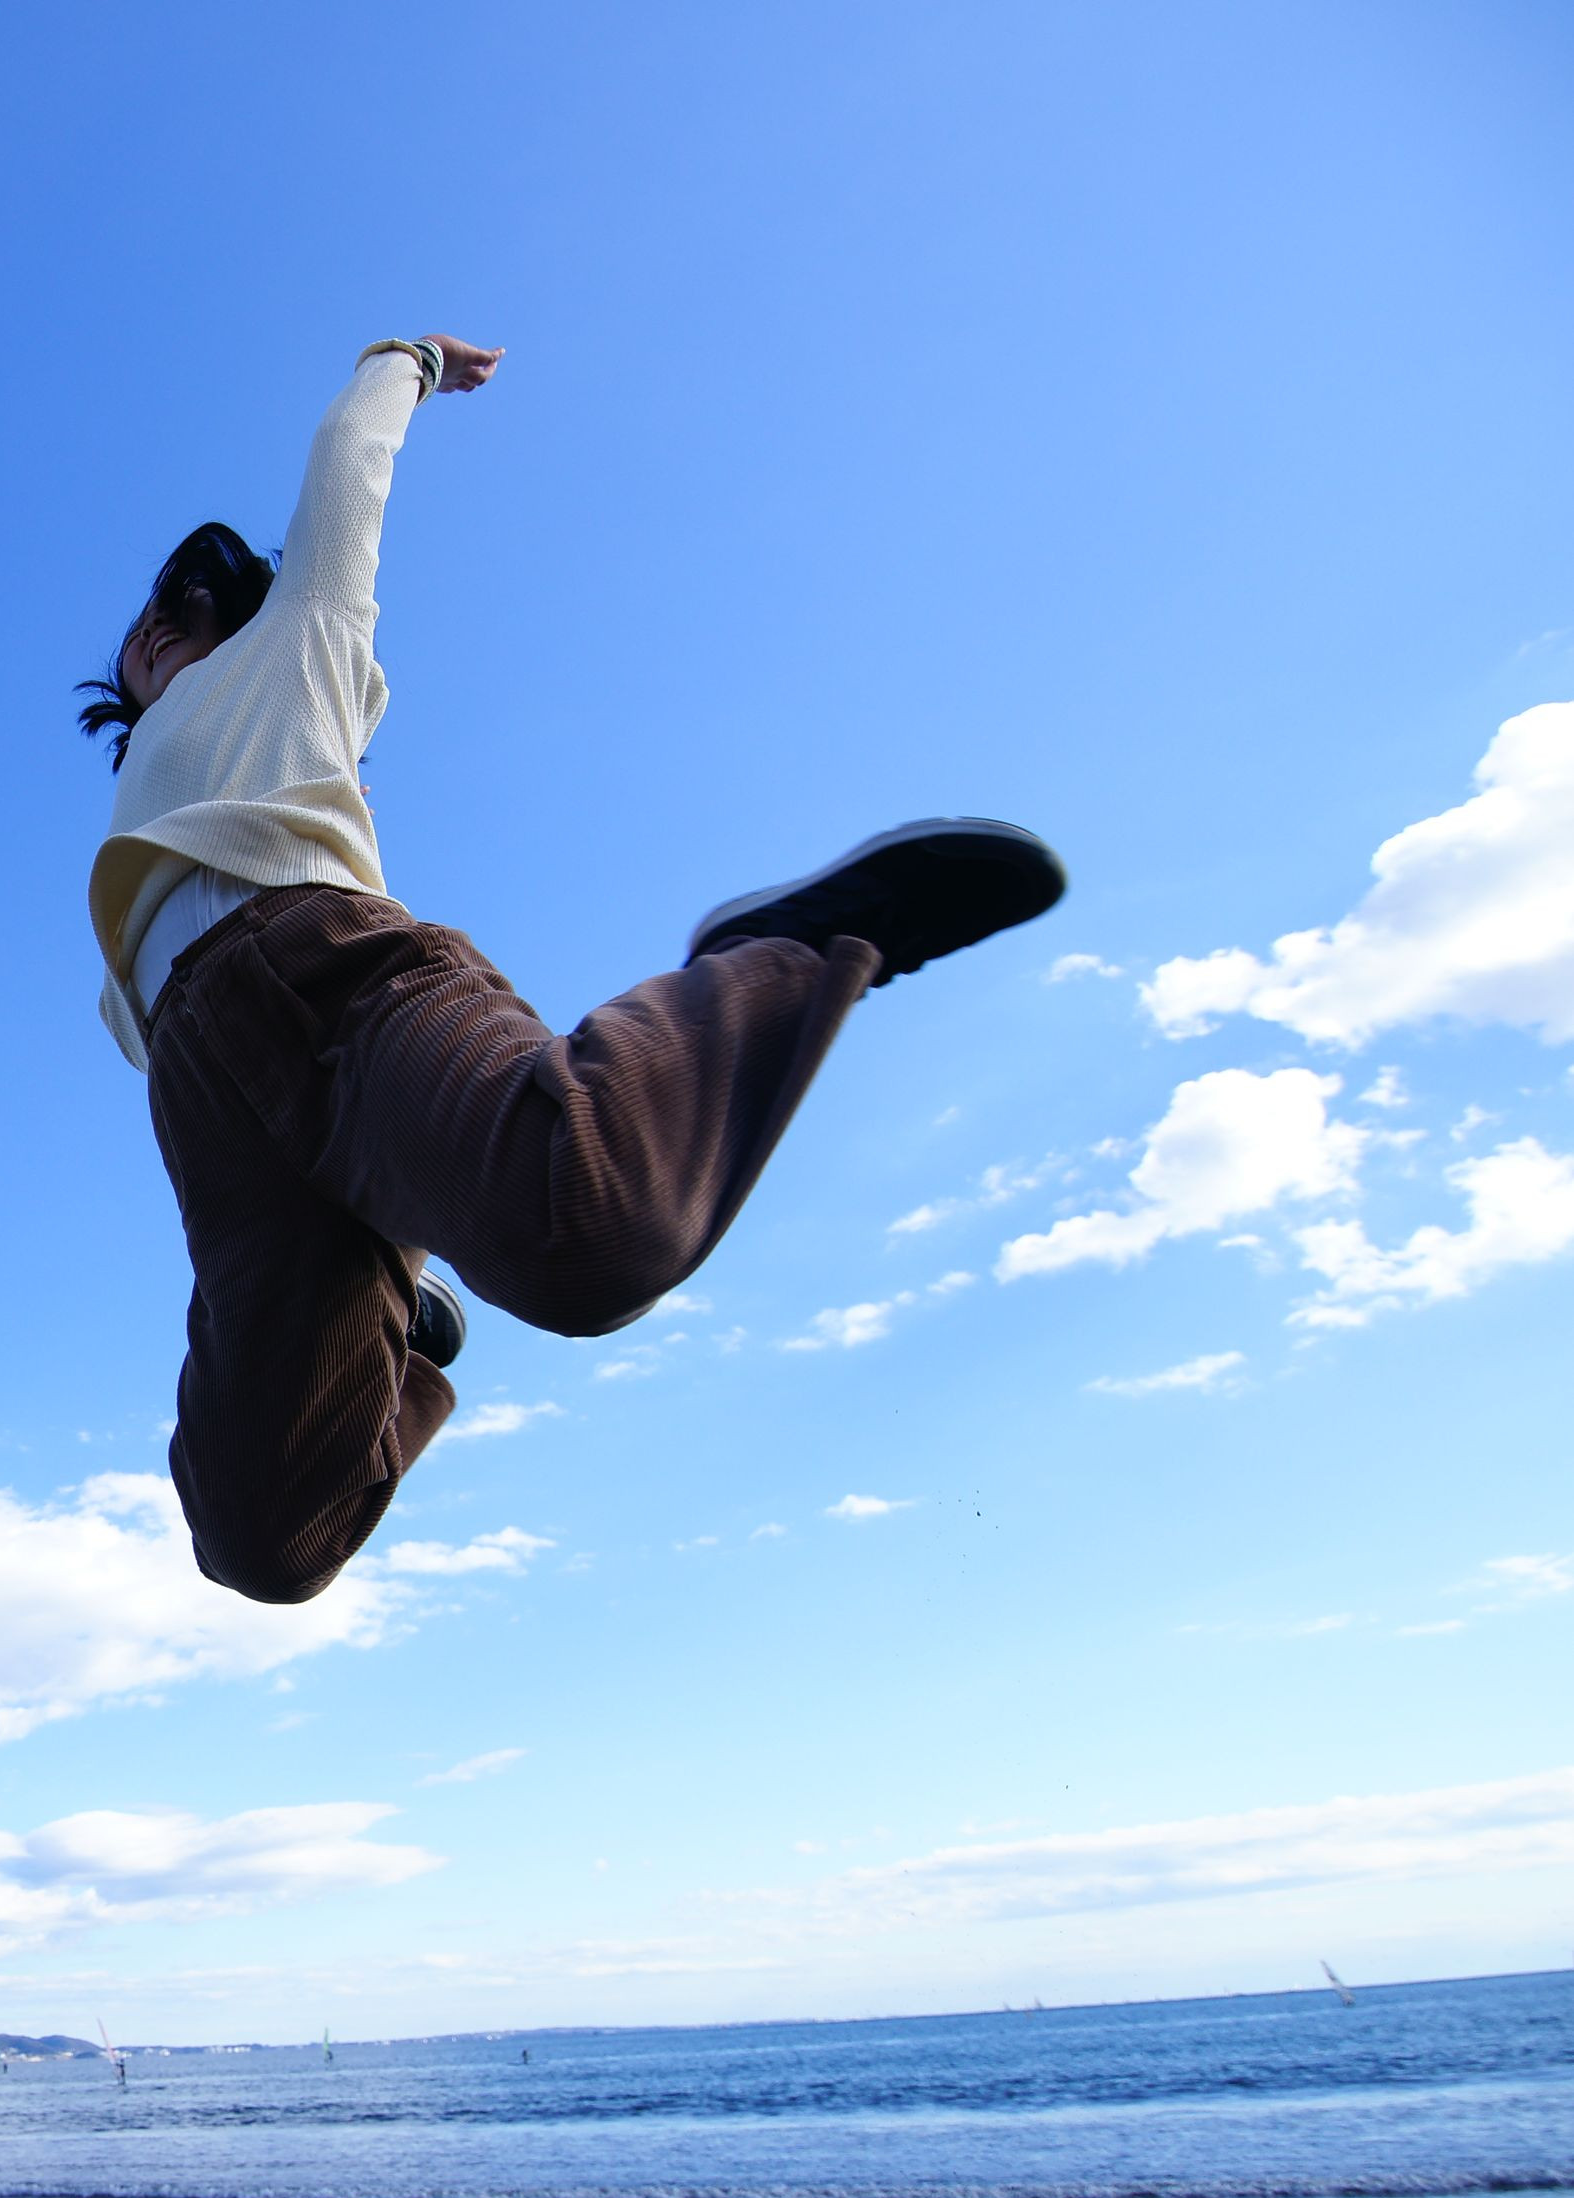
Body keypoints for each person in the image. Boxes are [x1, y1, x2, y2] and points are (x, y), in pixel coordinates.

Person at [82, 334, 1062, 1603]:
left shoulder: (296, 652)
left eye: (179, 609)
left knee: (594, 1224)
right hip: (210, 1110)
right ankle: (392, 1333)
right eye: (140, 631)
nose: (155, 631)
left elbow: (344, 472)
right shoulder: (138, 808)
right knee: (259, 1544)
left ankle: (779, 953)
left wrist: (404, 363)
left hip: (315, 976)